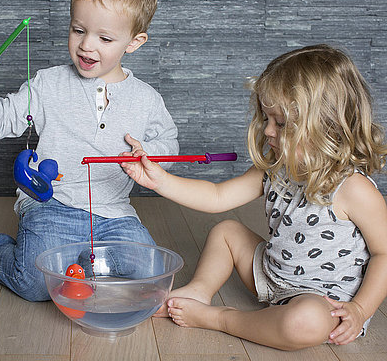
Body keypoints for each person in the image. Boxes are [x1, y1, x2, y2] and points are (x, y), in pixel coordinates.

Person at [121, 44, 387, 350]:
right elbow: (217, 196)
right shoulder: (276, 167)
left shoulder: (354, 189)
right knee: (227, 231)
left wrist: (360, 309)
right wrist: (159, 180)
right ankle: (198, 291)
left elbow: (383, 254)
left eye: (281, 123)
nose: (268, 130)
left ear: (326, 125)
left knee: (305, 321)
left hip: (323, 303)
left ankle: (220, 318)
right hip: (270, 276)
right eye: (266, 118)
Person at [0, 0, 179, 302]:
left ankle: (79, 267)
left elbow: (170, 145)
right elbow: (1, 123)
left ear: (134, 42)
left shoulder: (146, 99)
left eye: (104, 37)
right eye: (78, 30)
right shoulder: (49, 83)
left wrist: (149, 154)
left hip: (114, 214)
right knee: (32, 282)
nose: (87, 45)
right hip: (52, 204)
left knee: (149, 277)